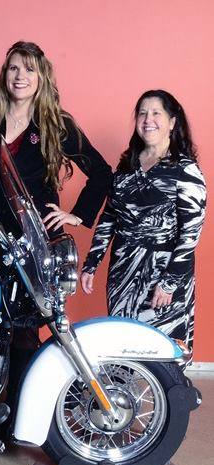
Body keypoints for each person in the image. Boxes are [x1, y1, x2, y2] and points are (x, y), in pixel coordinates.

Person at [0, 41, 113, 421]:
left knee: (28, 329)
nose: (20, 77)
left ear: (42, 77)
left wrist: (76, 215)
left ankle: (19, 415)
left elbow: (102, 174)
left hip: (32, 242)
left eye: (29, 70)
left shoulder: (56, 125)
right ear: (4, 74)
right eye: (13, 68)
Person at [81, 90, 206, 350]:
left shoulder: (186, 171)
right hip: (123, 273)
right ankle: (123, 392)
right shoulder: (127, 167)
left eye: (156, 113)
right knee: (123, 346)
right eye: (142, 113)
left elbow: (190, 235)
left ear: (172, 122)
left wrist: (170, 283)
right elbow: (109, 218)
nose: (148, 119)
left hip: (163, 275)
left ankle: (172, 393)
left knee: (162, 350)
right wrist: (91, 264)